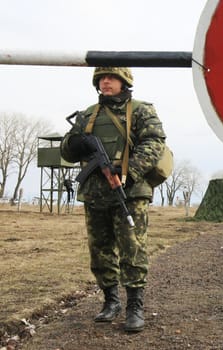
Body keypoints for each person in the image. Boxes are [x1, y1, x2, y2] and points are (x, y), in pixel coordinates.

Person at [60, 67, 166, 332]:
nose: (106, 82)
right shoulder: (87, 115)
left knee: (132, 249)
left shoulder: (141, 110)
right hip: (95, 194)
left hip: (129, 193)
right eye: (101, 79)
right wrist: (75, 145)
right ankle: (110, 301)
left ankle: (135, 307)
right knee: (100, 250)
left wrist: (130, 172)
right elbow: (67, 150)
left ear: (124, 81)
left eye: (112, 78)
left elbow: (154, 143)